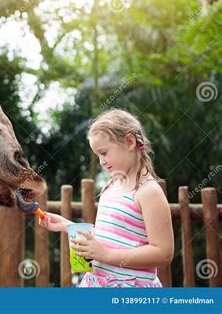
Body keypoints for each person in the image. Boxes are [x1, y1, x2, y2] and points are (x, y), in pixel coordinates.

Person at [39, 109, 174, 287]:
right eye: (97, 156)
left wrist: (106, 255)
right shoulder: (111, 186)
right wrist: (67, 225)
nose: (101, 161)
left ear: (130, 142)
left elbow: (164, 253)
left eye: (104, 153)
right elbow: (111, 235)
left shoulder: (148, 192)